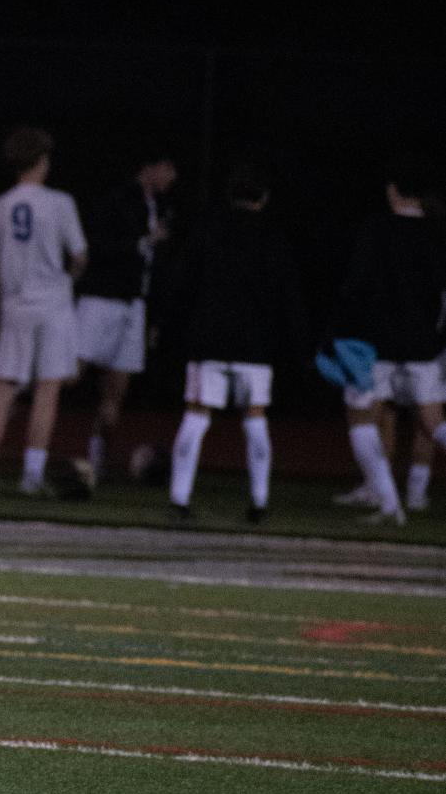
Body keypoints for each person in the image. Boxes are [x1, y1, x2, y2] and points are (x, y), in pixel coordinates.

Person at [166, 162, 307, 523]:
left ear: (230, 196)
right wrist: (297, 343)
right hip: (255, 345)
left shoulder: (208, 231)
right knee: (255, 417)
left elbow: (182, 285)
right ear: (264, 198)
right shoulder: (273, 239)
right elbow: (288, 297)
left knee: (197, 415)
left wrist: (172, 328)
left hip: (210, 339)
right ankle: (259, 502)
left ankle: (179, 497)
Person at [326, 168, 446, 526]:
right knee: (433, 422)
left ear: (394, 191)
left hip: (378, 343)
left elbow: (357, 286)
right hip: (423, 344)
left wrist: (341, 331)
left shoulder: (377, 229)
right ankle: (389, 498)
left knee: (361, 415)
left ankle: (390, 503)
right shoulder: (436, 233)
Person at [0, 126, 87, 495]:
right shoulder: (60, 203)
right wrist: (66, 280)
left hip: (15, 304)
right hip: (52, 304)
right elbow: (80, 256)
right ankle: (30, 476)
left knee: (4, 386)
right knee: (47, 389)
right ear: (41, 161)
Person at [74, 149, 176, 480]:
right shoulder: (117, 201)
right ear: (150, 167)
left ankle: (96, 457)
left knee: (117, 386)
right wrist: (141, 242)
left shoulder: (161, 207)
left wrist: (155, 318)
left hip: (135, 305)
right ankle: (23, 414)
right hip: (102, 299)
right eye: (169, 168)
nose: (172, 177)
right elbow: (99, 248)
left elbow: (156, 268)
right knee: (69, 373)